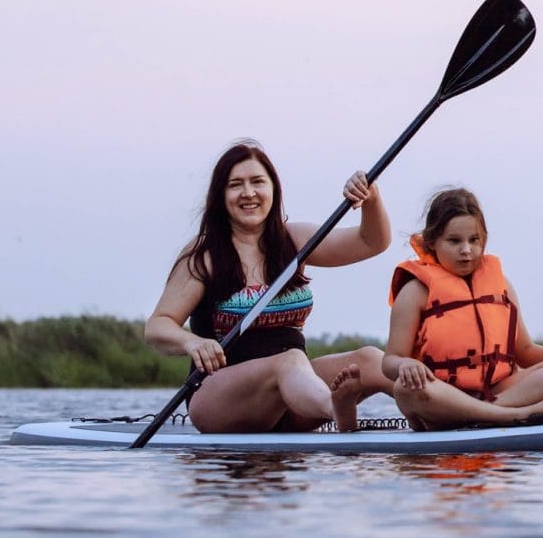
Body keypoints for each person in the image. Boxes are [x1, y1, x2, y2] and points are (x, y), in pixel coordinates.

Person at [145, 141, 393, 432]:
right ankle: (336, 409)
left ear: (273, 190)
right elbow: (157, 327)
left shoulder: (296, 240)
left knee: (371, 359)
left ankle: (444, 407)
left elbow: (371, 242)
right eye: (235, 184)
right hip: (219, 398)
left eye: (257, 182)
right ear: (220, 196)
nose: (248, 193)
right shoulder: (203, 255)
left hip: (295, 396)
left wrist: (371, 198)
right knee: (289, 362)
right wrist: (193, 342)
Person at [382, 187, 543, 428]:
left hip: (498, 392)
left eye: (474, 240)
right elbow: (389, 362)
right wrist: (405, 364)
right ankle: (512, 415)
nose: (466, 250)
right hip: (441, 394)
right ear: (432, 242)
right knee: (404, 389)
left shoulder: (502, 286)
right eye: (454, 241)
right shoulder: (414, 292)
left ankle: (482, 415)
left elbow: (525, 351)